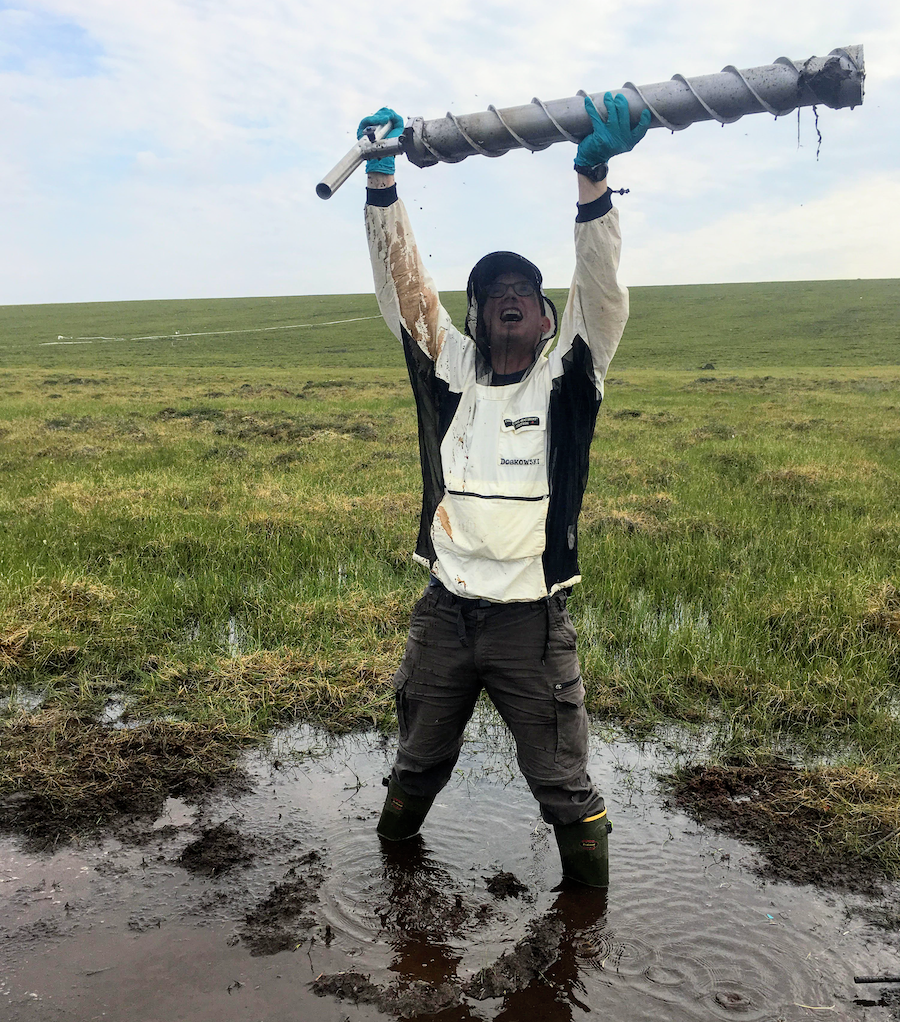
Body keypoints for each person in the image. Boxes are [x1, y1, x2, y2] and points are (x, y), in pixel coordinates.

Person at [361, 94, 650, 888]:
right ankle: (392, 885)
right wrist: (381, 187)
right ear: (480, 316)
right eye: (494, 293)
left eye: (523, 287)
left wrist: (592, 183)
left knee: (562, 784)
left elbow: (602, 289)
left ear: (545, 315)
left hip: (531, 622)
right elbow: (405, 293)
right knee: (416, 764)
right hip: (445, 614)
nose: (509, 297)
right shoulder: (449, 371)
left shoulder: (568, 380)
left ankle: (585, 921)